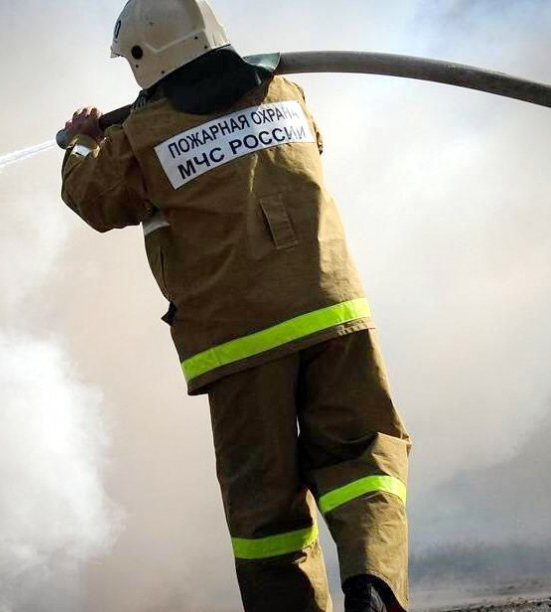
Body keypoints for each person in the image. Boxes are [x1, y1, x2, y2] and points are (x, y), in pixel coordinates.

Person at [59, 1, 412, 610]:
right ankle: (373, 584)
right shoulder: (286, 92)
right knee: (364, 460)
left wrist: (83, 144)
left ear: (143, 57)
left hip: (241, 338)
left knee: (266, 510)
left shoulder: (141, 136)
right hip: (335, 312)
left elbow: (94, 199)